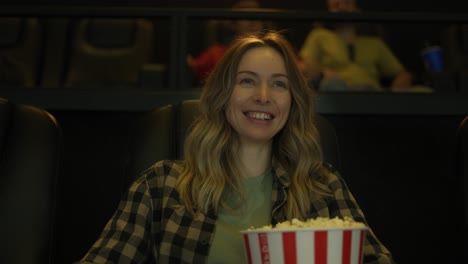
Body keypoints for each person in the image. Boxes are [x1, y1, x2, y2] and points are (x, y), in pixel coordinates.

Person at [77, 31, 395, 263]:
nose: (263, 96)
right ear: (222, 95)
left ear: (292, 103)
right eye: (246, 81)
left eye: (279, 84)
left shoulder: (322, 186)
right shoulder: (160, 185)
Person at [299, 0, 413, 92]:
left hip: (371, 93)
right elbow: (307, 66)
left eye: (347, 4)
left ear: (357, 9)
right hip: (336, 91)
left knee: (423, 91)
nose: (342, 8)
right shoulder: (319, 35)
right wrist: (324, 72)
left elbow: (402, 73)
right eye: (336, 5)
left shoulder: (374, 43)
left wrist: (400, 84)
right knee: (333, 84)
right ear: (329, 11)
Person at [187, 0, 265, 85]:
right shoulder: (215, 54)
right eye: (246, 14)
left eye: (257, 13)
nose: (253, 21)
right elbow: (192, 70)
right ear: (233, 23)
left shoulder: (272, 53)